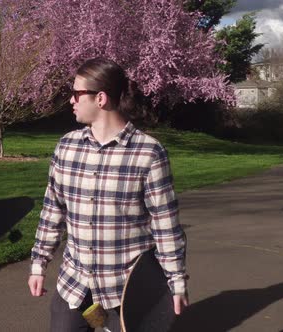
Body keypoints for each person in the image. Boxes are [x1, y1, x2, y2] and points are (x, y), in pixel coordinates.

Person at [27, 58, 188, 332]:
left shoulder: (148, 153)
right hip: (74, 286)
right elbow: (52, 210)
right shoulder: (66, 147)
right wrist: (39, 263)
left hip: (123, 292)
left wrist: (176, 281)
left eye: (77, 93)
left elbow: (165, 225)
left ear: (100, 98)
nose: (71, 101)